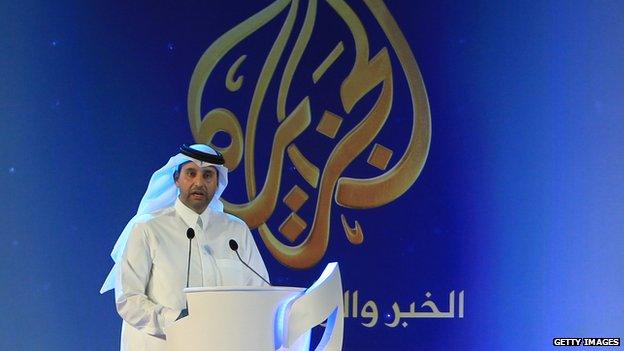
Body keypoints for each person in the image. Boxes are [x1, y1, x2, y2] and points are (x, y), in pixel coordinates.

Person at [100, 144, 270, 351]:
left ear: (218, 183)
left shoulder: (236, 231)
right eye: (191, 173)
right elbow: (128, 299)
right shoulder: (147, 228)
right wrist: (176, 320)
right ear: (176, 179)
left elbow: (261, 294)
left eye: (208, 175)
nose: (199, 182)